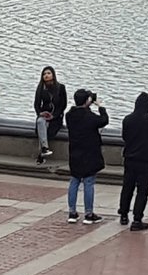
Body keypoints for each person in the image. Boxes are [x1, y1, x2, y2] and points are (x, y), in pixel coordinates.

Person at [119, 92, 148, 230]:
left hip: (129, 159)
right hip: (145, 160)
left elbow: (125, 137)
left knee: (127, 187)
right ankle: (137, 219)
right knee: (142, 191)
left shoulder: (127, 119)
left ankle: (123, 214)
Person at [65, 88, 107, 224]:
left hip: (74, 152)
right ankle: (88, 214)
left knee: (74, 181)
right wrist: (100, 106)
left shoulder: (69, 115)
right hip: (89, 153)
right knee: (88, 182)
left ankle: (72, 212)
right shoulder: (89, 117)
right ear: (87, 101)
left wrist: (87, 104)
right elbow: (103, 120)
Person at [34, 66, 67, 163]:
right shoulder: (40, 88)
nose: (46, 75)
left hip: (56, 117)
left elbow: (63, 105)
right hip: (44, 115)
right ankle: (45, 148)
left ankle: (41, 155)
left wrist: (54, 116)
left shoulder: (61, 88)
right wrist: (40, 113)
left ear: (53, 75)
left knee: (45, 129)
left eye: (48, 73)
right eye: (44, 74)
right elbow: (36, 104)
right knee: (40, 122)